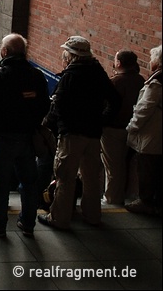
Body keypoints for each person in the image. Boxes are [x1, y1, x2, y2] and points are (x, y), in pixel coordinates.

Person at [38, 36, 121, 230]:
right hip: (93, 134)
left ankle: (59, 218)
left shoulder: (70, 76)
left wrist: (49, 126)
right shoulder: (98, 72)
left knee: (65, 177)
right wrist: (102, 120)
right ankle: (92, 216)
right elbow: (115, 101)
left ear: (71, 55)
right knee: (92, 177)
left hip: (71, 134)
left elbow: (57, 106)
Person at [0, 34, 50, 238]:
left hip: (1, 137)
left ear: (5, 52)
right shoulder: (35, 75)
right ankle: (28, 222)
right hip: (27, 136)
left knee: (0, 182)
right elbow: (45, 104)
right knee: (29, 181)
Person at [101, 49, 145, 205]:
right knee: (122, 164)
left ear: (118, 63)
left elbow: (106, 105)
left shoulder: (115, 82)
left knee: (112, 167)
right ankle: (118, 195)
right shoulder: (141, 80)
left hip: (113, 129)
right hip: (132, 128)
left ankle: (112, 199)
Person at [124, 45, 162, 216]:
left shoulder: (156, 83)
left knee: (146, 169)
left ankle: (145, 202)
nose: (149, 62)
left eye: (152, 58)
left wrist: (131, 127)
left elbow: (143, 110)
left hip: (151, 135)